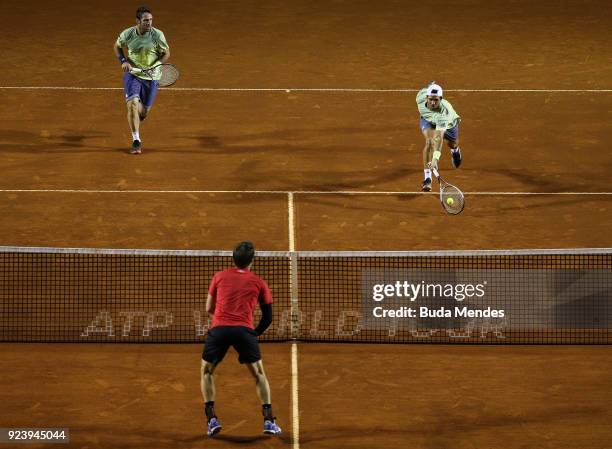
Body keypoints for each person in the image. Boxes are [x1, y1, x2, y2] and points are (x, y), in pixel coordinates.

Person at [201, 241, 282, 437]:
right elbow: (268, 318)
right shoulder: (259, 282)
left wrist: (222, 320)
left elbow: (208, 308)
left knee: (206, 372)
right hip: (245, 331)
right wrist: (253, 334)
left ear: (233, 259)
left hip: (219, 329)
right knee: (259, 374)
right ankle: (269, 421)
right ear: (251, 261)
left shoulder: (219, 276)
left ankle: (211, 419)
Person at [113, 6, 170, 154]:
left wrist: (156, 65)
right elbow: (117, 46)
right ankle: (136, 140)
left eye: (151, 20)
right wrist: (123, 61)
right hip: (133, 73)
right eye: (146, 20)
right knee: (132, 105)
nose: (149, 23)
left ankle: (137, 116)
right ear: (137, 21)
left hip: (152, 76)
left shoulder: (158, 35)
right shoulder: (128, 34)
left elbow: (166, 53)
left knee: (143, 112)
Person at [416, 82, 462, 191]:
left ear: (441, 99)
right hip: (428, 120)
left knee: (453, 143)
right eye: (430, 99)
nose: (432, 102)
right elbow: (434, 139)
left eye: (436, 100)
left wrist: (435, 159)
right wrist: (430, 85)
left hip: (449, 124)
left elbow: (439, 138)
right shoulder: (420, 98)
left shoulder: (444, 114)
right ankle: (427, 179)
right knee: (429, 142)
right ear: (426, 97)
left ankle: (455, 150)